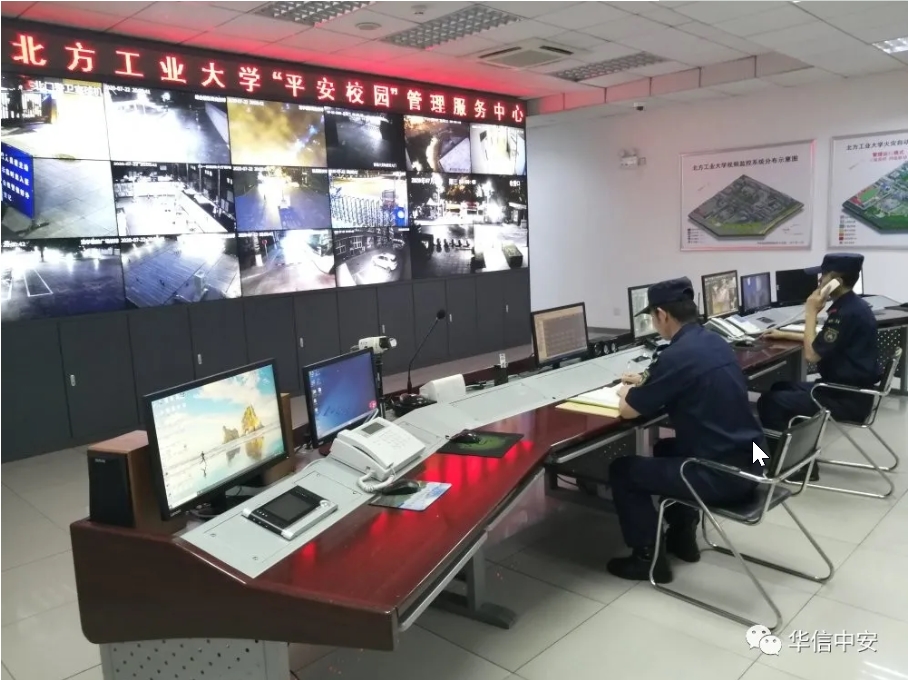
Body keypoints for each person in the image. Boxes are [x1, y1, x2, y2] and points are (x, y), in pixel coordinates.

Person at [607, 277, 766, 584]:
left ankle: (648, 559)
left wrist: (627, 391)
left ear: (662, 314)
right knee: (666, 448)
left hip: (724, 476)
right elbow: (686, 377)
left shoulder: (676, 355)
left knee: (623, 470)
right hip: (756, 460)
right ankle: (683, 538)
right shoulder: (715, 342)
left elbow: (629, 411)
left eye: (653, 317)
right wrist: (651, 380)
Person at [757, 253, 879, 481]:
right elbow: (825, 340)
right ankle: (792, 457)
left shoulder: (844, 313)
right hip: (849, 392)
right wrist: (784, 334)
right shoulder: (852, 306)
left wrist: (811, 311)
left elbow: (812, 355)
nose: (820, 280)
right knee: (780, 387)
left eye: (823, 275)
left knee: (769, 402)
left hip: (845, 398)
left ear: (836, 282)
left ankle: (782, 465)